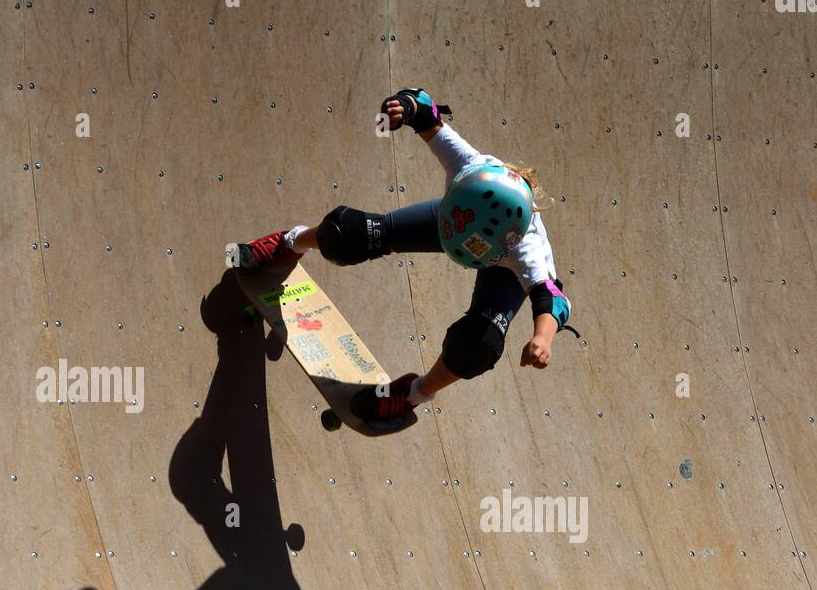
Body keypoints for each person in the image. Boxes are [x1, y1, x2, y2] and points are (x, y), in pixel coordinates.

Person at [236, 87, 572, 423]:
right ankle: (290, 242)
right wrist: (397, 111)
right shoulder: (470, 166)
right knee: (347, 234)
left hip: (503, 269)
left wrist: (543, 339)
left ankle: (412, 394)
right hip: (451, 219)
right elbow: (424, 110)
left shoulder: (526, 250)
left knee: (478, 344)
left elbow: (551, 300)